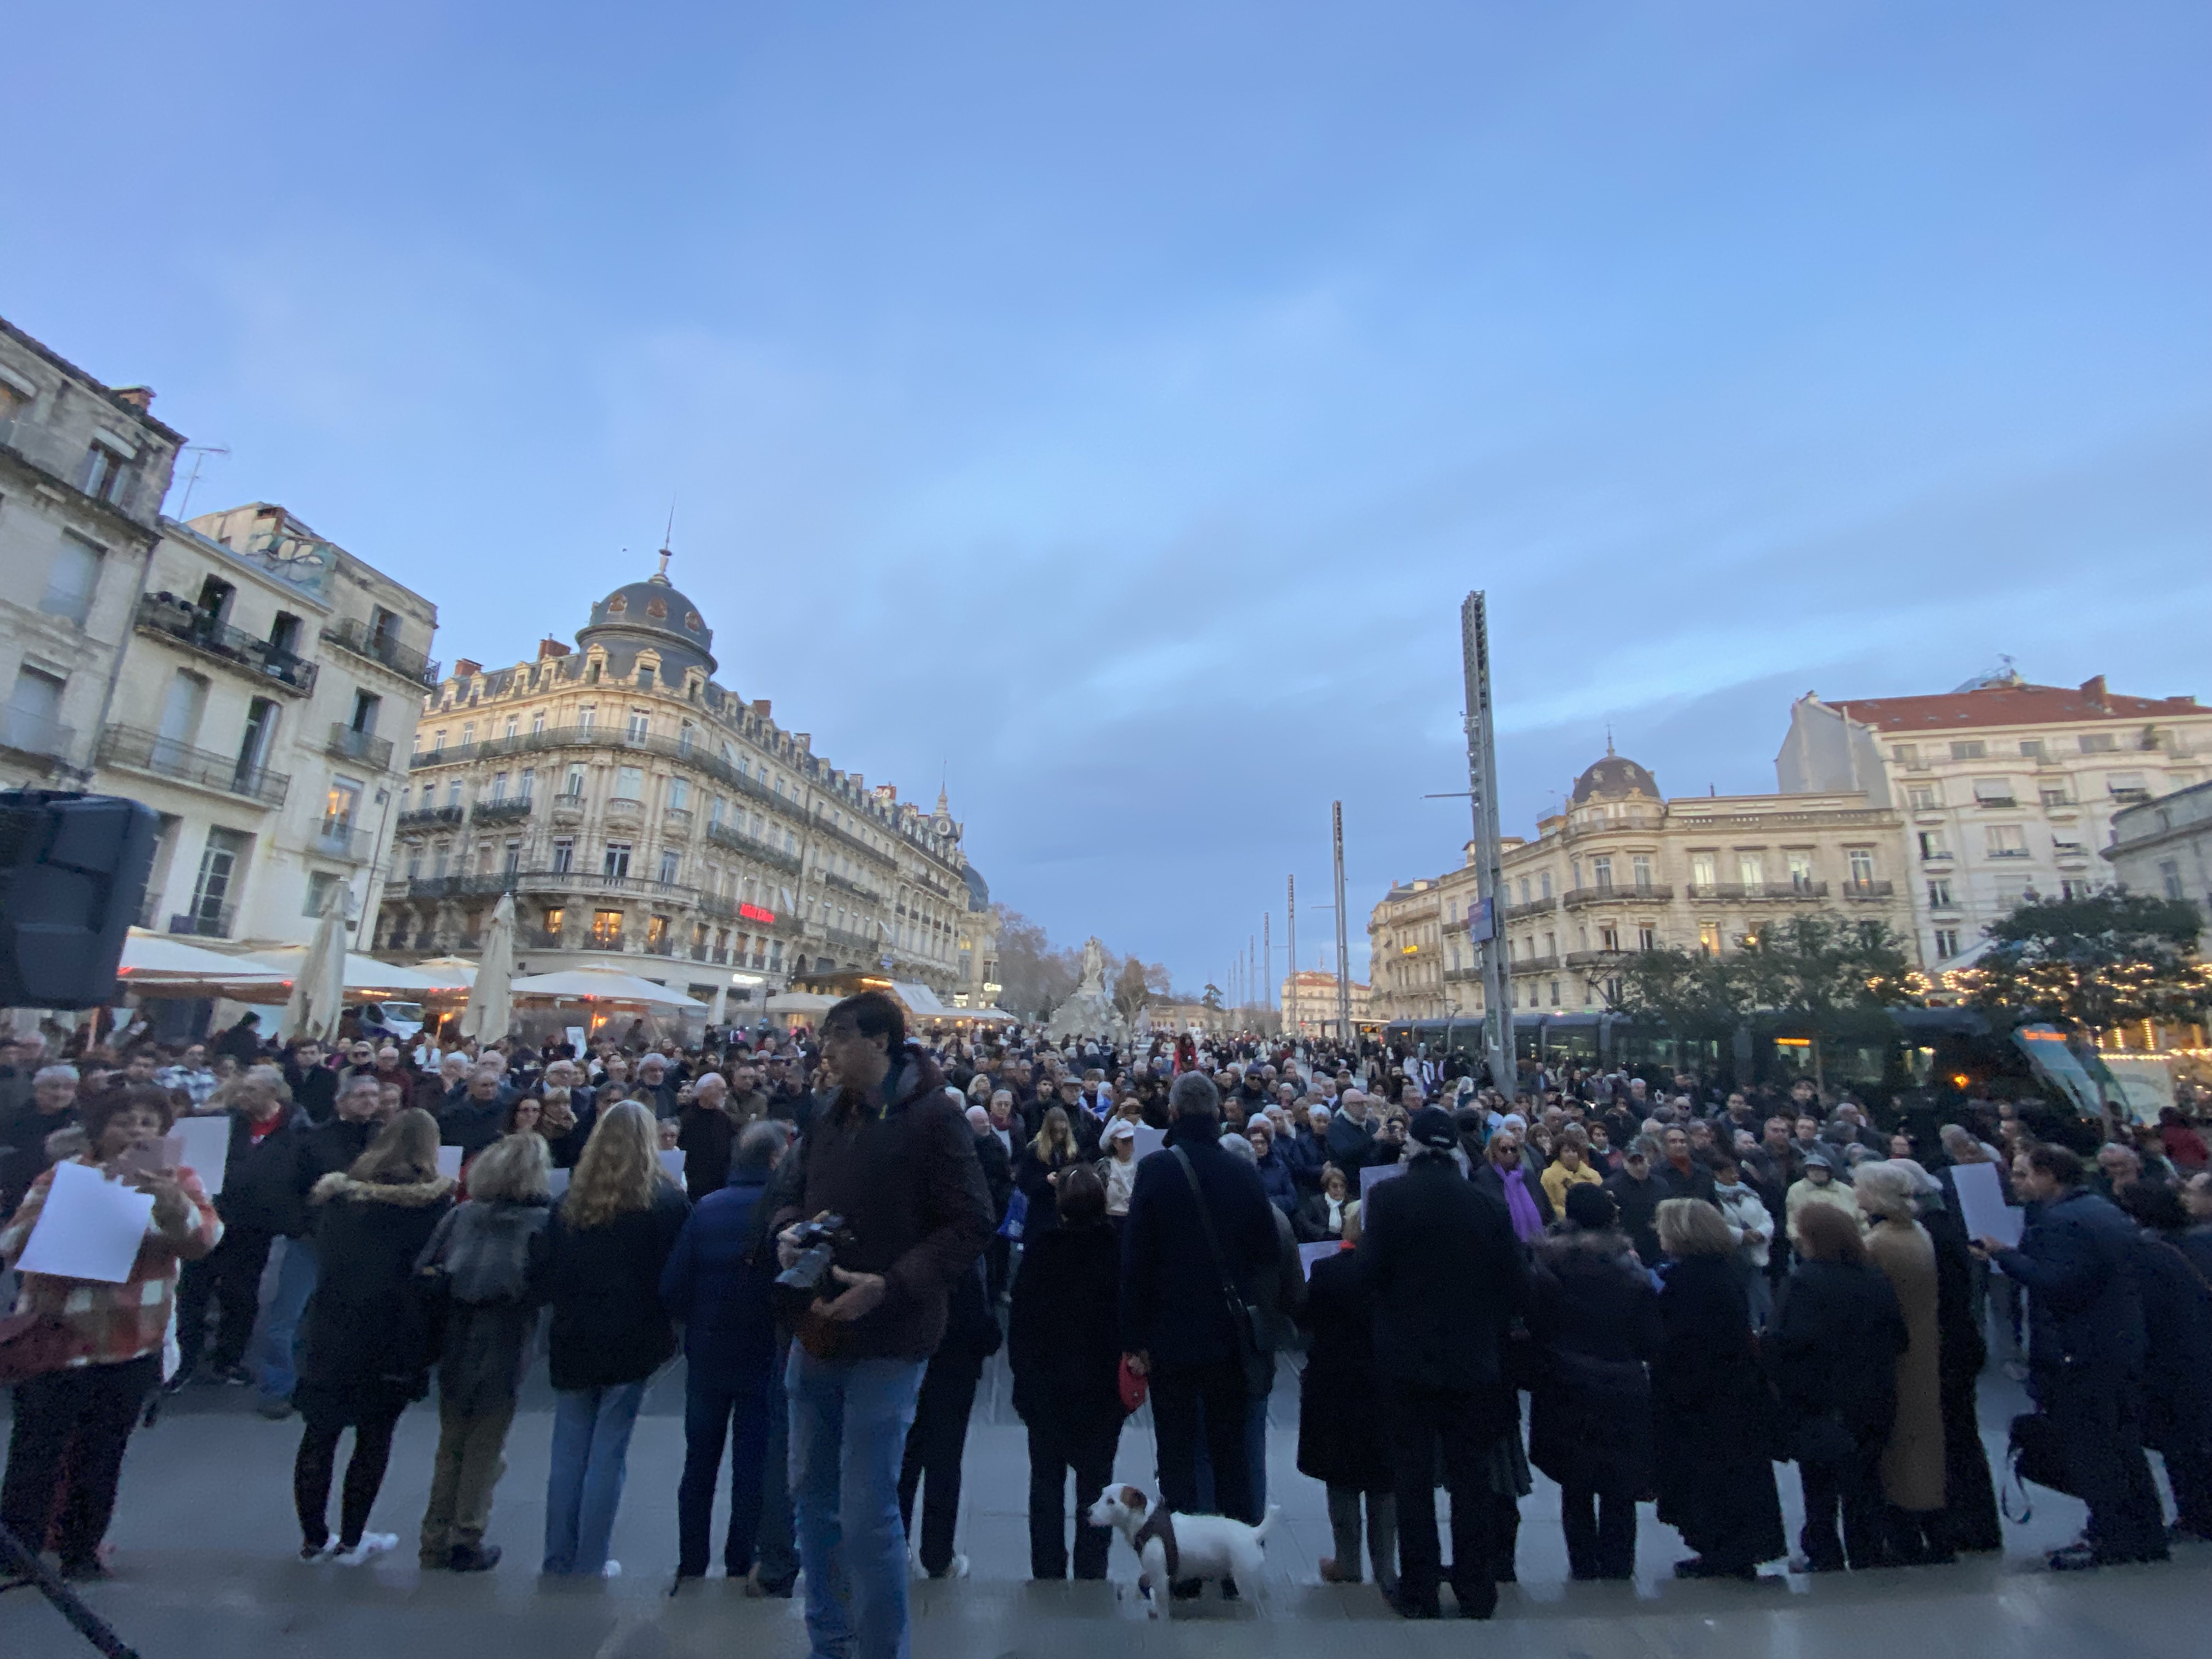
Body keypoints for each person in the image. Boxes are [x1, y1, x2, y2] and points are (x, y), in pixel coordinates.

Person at [770, 991, 991, 1659]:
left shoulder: (935, 1119)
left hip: (892, 1338)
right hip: (817, 1329)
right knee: (810, 1494)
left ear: (881, 1044)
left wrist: (893, 1285)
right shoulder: (828, 1112)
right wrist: (788, 1234)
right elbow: (787, 1191)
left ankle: (878, 1649)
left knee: (868, 1510)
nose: (826, 1050)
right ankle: (828, 1640)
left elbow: (973, 1220)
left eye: (838, 1038)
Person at [0, 1085, 218, 1579]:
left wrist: (169, 1202)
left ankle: (82, 1548)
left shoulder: (179, 1179)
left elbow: (203, 1239)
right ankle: (18, 1549)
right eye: (125, 1121)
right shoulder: (63, 1174)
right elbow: (12, 1241)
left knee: (103, 1454)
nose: (137, 1131)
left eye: (148, 1122)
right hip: (59, 1337)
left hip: (130, 1339)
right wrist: (71, 1218)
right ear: (99, 1130)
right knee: (37, 1450)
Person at [1356, 1105, 1526, 1620]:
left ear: (1412, 1149)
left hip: (1406, 1359)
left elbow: (1370, 1272)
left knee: (1412, 1480)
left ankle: (1421, 1589)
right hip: (1472, 1361)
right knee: (1470, 1477)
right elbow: (1514, 1286)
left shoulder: (1388, 1198)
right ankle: (1477, 1590)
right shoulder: (1486, 1205)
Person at [1974, 1143, 2168, 1569]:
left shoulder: (2060, 1222)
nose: (2016, 1182)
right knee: (2123, 1445)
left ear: (2050, 1176)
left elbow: (2057, 1282)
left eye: (2024, 1174)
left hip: (2077, 1353)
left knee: (2093, 1449)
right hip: (2116, 1346)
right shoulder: (2101, 1211)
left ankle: (2113, 1536)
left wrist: (2004, 1256)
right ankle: (2144, 1533)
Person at [1119, 1069, 1277, 1576]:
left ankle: (1179, 1570)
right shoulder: (1243, 1173)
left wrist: (1135, 1337)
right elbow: (1267, 1253)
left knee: (1180, 1456)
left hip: (1173, 1336)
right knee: (1232, 1455)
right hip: (1230, 1338)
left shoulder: (1158, 1169)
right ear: (1217, 1112)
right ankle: (1235, 1567)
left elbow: (1137, 1258)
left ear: (1175, 1111)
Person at [294, 1108, 455, 1564]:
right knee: (374, 1435)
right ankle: (352, 1537)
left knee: (319, 1434)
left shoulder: (342, 1198)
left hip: (332, 1320)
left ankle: (312, 1537)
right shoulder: (432, 1204)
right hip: (393, 1327)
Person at [542, 1100, 691, 1577]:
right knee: (609, 1450)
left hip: (573, 1332)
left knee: (568, 1450)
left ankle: (558, 1554)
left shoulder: (568, 1201)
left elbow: (548, 1271)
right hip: (633, 1334)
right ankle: (590, 1557)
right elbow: (675, 1276)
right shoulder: (665, 1203)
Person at [410, 1131, 555, 1570]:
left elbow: (425, 1268)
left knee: (452, 1438)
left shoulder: (462, 1216)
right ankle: (466, 1535)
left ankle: (433, 1535)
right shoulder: (542, 1223)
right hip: (507, 1333)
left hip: (457, 1329)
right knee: (486, 1442)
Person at [662, 1118, 791, 1583]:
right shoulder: (783, 1216)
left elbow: (674, 1283)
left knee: (699, 1460)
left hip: (709, 1350)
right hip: (762, 1352)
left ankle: (691, 1560)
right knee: (753, 1461)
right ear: (776, 1161)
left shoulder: (707, 1209)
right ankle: (741, 1558)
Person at [1525, 1183, 1660, 1583]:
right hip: (1621, 1378)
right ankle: (1618, 1565)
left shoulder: (1547, 1266)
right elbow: (1650, 1336)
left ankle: (1582, 1564)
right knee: (1619, 1485)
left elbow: (1536, 1324)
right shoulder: (1630, 1270)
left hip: (1565, 1378)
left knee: (1575, 1483)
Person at [1651, 1197, 1786, 1579]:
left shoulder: (1684, 1280)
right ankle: (1735, 1546)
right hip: (1734, 1389)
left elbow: (1677, 1341)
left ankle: (1719, 1548)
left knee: (1709, 1476)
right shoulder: (1724, 1271)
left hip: (1700, 1395)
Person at [1768, 1202, 1905, 1571]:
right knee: (1866, 1479)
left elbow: (1786, 1344)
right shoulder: (1875, 1278)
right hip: (1873, 1394)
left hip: (1820, 1399)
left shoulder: (1802, 1283)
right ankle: (1868, 1548)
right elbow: (1899, 1338)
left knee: (1820, 1483)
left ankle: (1823, 1550)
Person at [1008, 1165, 1126, 1579]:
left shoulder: (1042, 1249)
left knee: (1045, 1482)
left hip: (1047, 1386)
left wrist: (1022, 1379)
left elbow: (1020, 1320)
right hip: (1101, 1388)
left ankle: (1047, 1568)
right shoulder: (1115, 1250)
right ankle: (1093, 1568)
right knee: (1096, 1482)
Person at [176, 1069, 306, 1386]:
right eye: (242, 1090)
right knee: (193, 1290)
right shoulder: (226, 1122)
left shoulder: (297, 1127)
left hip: (255, 1224)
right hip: (215, 1215)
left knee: (241, 1293)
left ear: (273, 1094)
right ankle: (183, 1360)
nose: (242, 1096)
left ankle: (228, 1358)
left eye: (251, 1091)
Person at [2116, 1181, 2212, 1543]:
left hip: (2170, 1358)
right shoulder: (2201, 1243)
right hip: (2201, 1347)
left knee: (2181, 1442)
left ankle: (2195, 1515)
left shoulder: (2145, 1253)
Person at [896, 1253, 1000, 1579]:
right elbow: (977, 1316)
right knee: (945, 1458)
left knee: (903, 1456)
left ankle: (896, 1545)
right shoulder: (964, 1251)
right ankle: (939, 1555)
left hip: (907, 1357)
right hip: (955, 1364)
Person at [1708, 1152, 1775, 1329]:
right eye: (1729, 1172)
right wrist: (1741, 1236)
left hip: (1757, 1251)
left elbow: (1766, 1217)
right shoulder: (1712, 1196)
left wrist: (1761, 1233)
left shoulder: (1747, 1192)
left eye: (1735, 1171)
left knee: (1762, 1298)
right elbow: (1715, 1223)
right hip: (1735, 1256)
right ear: (1718, 1174)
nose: (1735, 1175)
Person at [1605, 1139, 1666, 1265]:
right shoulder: (1612, 1187)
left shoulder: (1661, 1183)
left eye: (1641, 1161)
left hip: (1661, 1244)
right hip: (1631, 1246)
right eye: (1633, 1162)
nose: (1639, 1166)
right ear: (1625, 1163)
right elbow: (1609, 1223)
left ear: (1647, 1160)